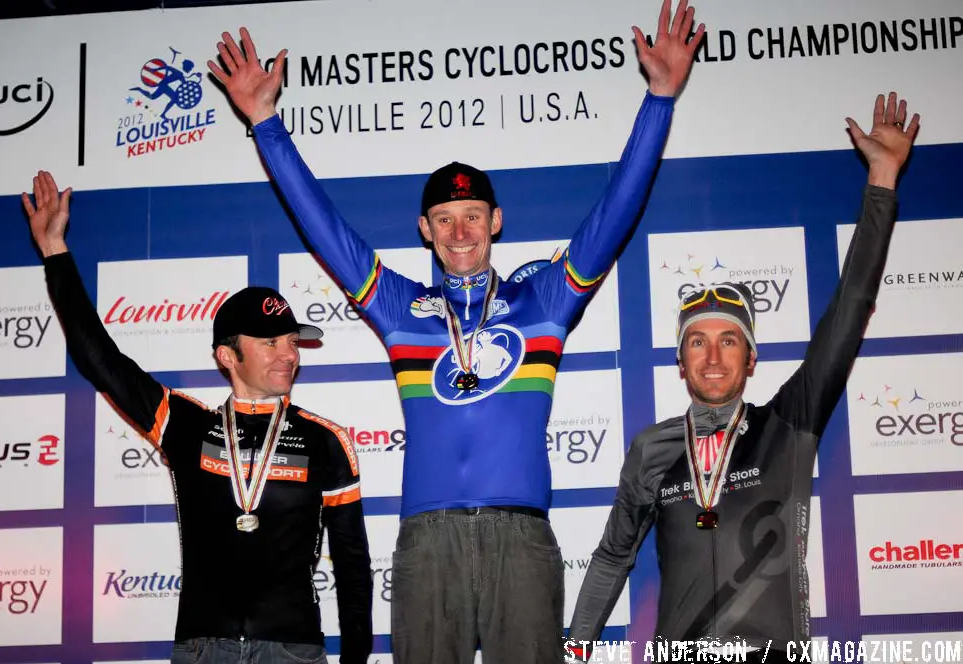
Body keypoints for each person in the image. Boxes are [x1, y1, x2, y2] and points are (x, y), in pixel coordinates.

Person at [208, 0, 704, 660]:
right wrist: (266, 123)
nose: (460, 231)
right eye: (444, 218)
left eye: (472, 215)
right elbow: (324, 227)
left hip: (522, 539)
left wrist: (661, 99)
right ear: (424, 230)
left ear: (496, 221)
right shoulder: (399, 307)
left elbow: (616, 211)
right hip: (428, 540)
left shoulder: (542, 301)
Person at [565, 92, 921, 663]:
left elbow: (851, 307)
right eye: (697, 343)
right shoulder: (652, 448)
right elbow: (612, 557)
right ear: (680, 364)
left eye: (729, 341)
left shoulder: (790, 422)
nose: (712, 357)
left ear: (750, 358)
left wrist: (881, 178)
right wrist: (577, 648)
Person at [22, 171, 374, 664]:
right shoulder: (185, 425)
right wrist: (55, 252)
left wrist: (356, 658)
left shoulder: (326, 441)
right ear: (227, 356)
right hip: (203, 648)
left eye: (292, 342)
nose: (288, 354)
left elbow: (354, 567)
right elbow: (99, 359)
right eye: (270, 342)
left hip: (294, 650)